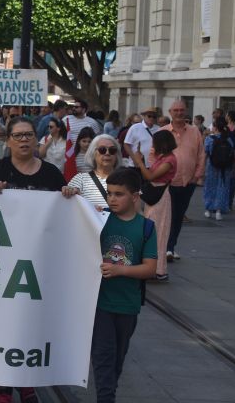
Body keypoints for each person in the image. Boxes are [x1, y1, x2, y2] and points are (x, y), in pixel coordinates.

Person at [0, 117, 65, 403]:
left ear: (36, 140)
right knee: (1, 329)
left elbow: (66, 209)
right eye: (18, 135)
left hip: (36, 268)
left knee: (29, 327)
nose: (24, 140)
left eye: (29, 135)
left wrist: (69, 195)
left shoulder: (51, 174)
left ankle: (26, 383)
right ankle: (1, 389)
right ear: (8, 140)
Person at [90, 168, 157, 403]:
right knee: (104, 357)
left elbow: (150, 268)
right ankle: (105, 398)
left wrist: (120, 270)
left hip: (128, 306)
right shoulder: (100, 219)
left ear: (135, 196)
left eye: (119, 194)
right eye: (109, 193)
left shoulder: (146, 227)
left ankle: (108, 393)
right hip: (100, 304)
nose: (111, 199)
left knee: (117, 359)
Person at [162, 100, 205, 261]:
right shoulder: (164, 131)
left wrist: (197, 175)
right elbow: (153, 154)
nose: (179, 113)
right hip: (167, 182)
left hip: (188, 182)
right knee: (168, 215)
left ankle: (171, 247)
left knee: (179, 215)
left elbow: (201, 154)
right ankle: (165, 247)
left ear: (185, 111)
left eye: (182, 110)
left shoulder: (195, 132)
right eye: (176, 110)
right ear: (170, 112)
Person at [130, 130, 176, 281]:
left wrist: (139, 162)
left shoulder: (169, 160)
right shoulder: (162, 157)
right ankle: (152, 267)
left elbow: (149, 176)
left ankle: (159, 270)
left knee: (159, 231)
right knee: (152, 230)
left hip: (161, 197)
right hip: (156, 195)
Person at [63, 134, 123, 210]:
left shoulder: (127, 179)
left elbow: (136, 210)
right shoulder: (80, 179)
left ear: (116, 155)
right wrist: (68, 191)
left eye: (112, 150)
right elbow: (68, 206)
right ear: (93, 153)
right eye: (102, 150)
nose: (107, 153)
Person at [203, 117, 235, 220]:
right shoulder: (228, 139)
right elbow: (232, 154)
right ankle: (218, 211)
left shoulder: (209, 139)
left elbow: (206, 153)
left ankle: (208, 209)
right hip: (225, 168)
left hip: (212, 166)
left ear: (215, 127)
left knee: (210, 187)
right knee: (222, 187)